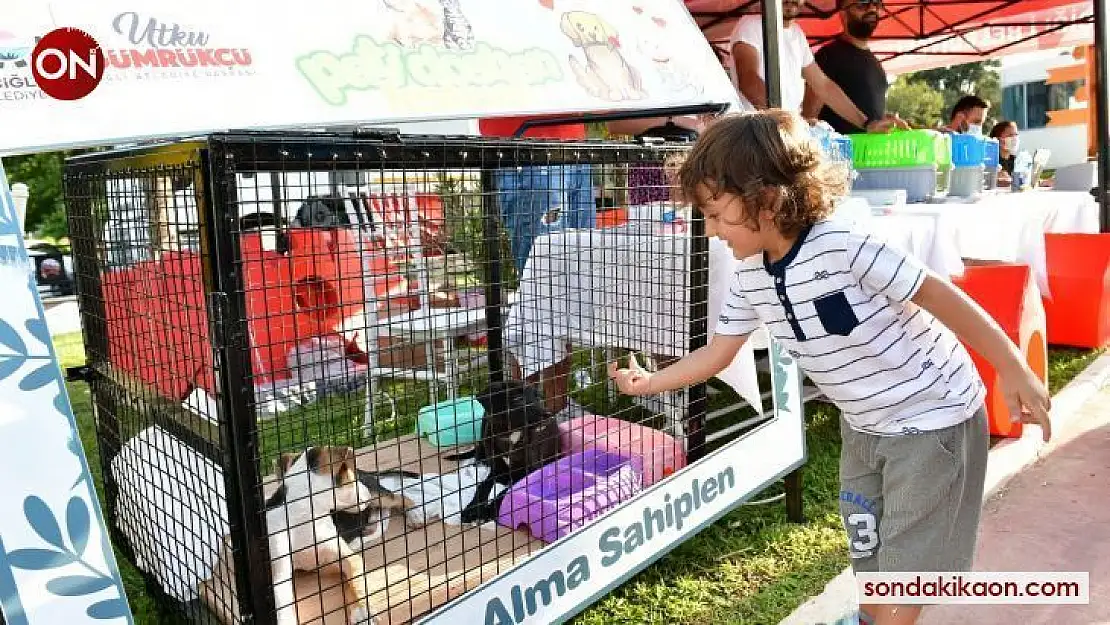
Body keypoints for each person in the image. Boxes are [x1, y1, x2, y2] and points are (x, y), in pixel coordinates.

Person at [608, 110, 1052, 625]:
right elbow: (718, 353)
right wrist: (650, 382)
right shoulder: (751, 274)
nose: (709, 230)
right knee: (867, 534)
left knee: (907, 559)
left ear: (768, 201)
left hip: (933, 415)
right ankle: (870, 617)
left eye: (716, 213)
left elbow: (941, 297)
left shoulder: (844, 242)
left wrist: (1013, 367)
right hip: (863, 423)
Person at [727, 0, 900, 133]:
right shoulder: (751, 24)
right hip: (754, 136)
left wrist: (867, 123)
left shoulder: (796, 33)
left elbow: (823, 85)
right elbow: (748, 81)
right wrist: (787, 120)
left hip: (783, 136)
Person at [802, 0, 905, 134]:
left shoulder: (875, 62)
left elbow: (869, 112)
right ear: (843, 15)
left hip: (869, 152)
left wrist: (884, 120)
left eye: (876, 4)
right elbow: (809, 117)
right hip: (838, 152)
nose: (871, 9)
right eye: (862, 4)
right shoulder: (829, 56)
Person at [989, 120, 1020, 187]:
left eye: (1016, 134)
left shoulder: (1015, 160)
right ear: (998, 139)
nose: (1015, 138)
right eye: (1010, 135)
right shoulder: (991, 161)